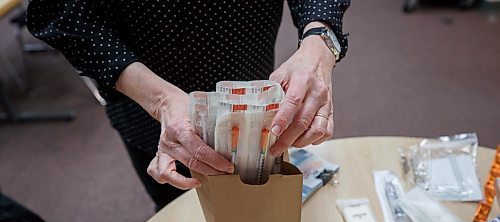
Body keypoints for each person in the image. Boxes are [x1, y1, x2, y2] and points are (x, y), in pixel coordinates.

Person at [27, 0, 350, 210]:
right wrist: (160, 100)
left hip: (249, 74)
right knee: (176, 200)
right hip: (143, 92)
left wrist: (319, 39)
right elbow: (61, 11)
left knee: (257, 194)